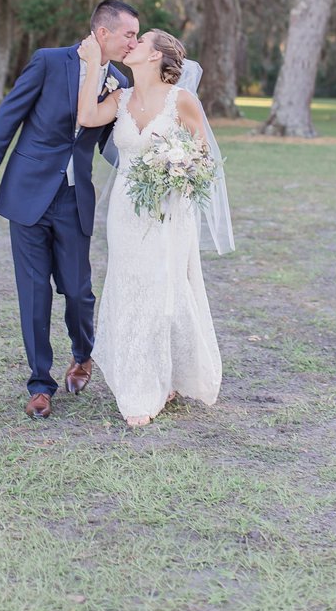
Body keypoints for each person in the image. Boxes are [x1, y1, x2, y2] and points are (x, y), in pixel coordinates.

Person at [0, 0, 139, 419]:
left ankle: (83, 355)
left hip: (74, 198)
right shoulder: (48, 62)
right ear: (103, 33)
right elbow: (8, 117)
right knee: (34, 293)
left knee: (79, 290)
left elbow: (112, 146)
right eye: (129, 34)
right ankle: (40, 384)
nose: (133, 42)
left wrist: (158, 165)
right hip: (26, 195)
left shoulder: (118, 81)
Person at [77, 28, 228, 427]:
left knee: (163, 290)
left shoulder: (182, 100)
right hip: (126, 212)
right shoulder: (121, 98)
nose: (133, 45)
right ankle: (141, 378)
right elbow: (87, 117)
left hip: (169, 214)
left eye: (140, 42)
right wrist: (94, 65)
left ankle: (158, 382)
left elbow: (206, 160)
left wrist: (176, 168)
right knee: (130, 287)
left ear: (157, 56)